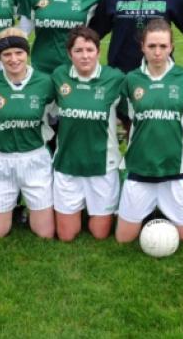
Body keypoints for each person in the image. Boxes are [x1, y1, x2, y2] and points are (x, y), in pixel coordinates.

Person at [115, 19, 183, 244]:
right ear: (142, 47)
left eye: (163, 46)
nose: (157, 52)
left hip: (176, 171)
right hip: (140, 169)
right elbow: (126, 118)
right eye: (152, 46)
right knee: (124, 239)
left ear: (171, 47)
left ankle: (160, 212)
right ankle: (151, 212)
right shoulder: (131, 80)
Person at [0, 28, 56, 239]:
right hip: (0, 159)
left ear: (26, 53)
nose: (13, 59)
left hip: (35, 158)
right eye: (6, 54)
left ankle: (27, 206)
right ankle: (11, 207)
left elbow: (56, 117)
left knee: (45, 233)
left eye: (19, 52)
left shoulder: (45, 83)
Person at [50, 26, 125, 241]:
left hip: (103, 166)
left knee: (100, 234)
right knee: (66, 236)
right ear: (69, 54)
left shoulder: (115, 79)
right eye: (78, 50)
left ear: (98, 52)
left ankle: (92, 207)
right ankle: (77, 209)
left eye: (90, 50)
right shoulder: (59, 76)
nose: (85, 56)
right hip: (68, 165)